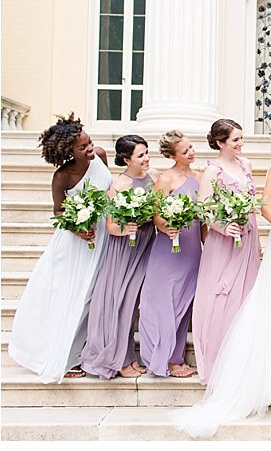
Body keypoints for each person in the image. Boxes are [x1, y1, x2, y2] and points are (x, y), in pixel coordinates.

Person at [170, 115, 271, 437]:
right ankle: (241, 370)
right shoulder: (258, 168)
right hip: (259, 240)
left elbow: (261, 204)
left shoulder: (259, 165)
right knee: (251, 300)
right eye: (235, 140)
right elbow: (254, 207)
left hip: (268, 239)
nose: (241, 144)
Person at [8, 113, 112, 383]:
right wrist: (78, 228)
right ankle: (64, 356)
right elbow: (58, 212)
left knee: (92, 296)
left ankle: (86, 351)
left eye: (89, 143)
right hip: (73, 243)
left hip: (102, 236)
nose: (90, 149)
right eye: (83, 147)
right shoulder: (62, 177)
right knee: (69, 296)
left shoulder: (100, 156)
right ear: (68, 151)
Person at [80, 135, 159, 379]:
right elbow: (112, 226)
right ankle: (119, 359)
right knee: (122, 302)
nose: (146, 159)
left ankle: (131, 356)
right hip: (125, 249)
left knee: (136, 302)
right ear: (127, 159)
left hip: (147, 244)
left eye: (146, 153)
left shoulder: (153, 176)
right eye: (140, 155)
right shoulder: (119, 185)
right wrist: (129, 227)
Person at [192, 119, 261, 385]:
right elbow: (203, 209)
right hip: (223, 242)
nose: (241, 144)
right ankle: (218, 361)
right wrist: (222, 226)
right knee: (222, 298)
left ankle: (242, 358)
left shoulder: (247, 165)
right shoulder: (213, 171)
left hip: (247, 237)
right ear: (220, 142)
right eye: (235, 140)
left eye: (241, 138)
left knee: (245, 297)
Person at [138, 130, 204, 378]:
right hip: (169, 248)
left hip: (192, 249)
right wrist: (168, 227)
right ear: (173, 155)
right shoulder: (165, 179)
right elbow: (156, 216)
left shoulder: (199, 177)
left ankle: (177, 359)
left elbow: (205, 215)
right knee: (164, 302)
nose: (191, 152)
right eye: (185, 150)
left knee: (184, 303)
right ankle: (162, 358)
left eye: (191, 147)